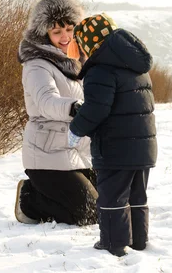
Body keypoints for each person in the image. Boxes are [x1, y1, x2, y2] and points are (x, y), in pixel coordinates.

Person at [67, 13, 157, 257]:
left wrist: (76, 129)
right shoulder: (135, 65)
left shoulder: (101, 70)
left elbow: (97, 108)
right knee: (137, 195)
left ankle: (113, 244)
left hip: (115, 147)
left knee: (112, 197)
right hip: (143, 146)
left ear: (90, 44)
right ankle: (138, 240)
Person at [15, 0, 98, 226]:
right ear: (44, 34)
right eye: (57, 31)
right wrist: (75, 107)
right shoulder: (36, 64)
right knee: (88, 213)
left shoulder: (77, 61)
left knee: (109, 204)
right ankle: (30, 199)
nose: (65, 37)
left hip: (77, 153)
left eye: (70, 29)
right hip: (46, 156)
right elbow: (45, 101)